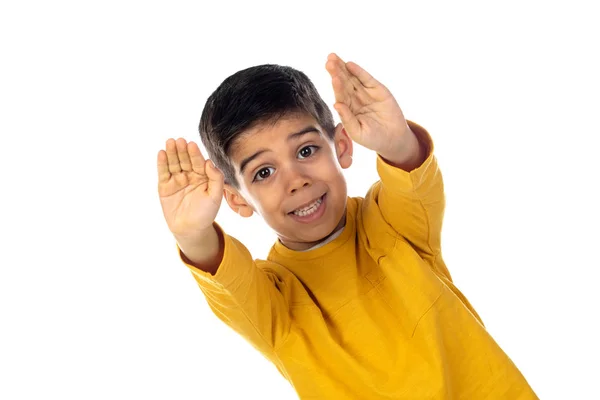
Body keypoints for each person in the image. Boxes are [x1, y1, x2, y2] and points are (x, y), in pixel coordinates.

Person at [156, 53, 538, 399]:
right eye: (264, 172)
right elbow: (229, 286)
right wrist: (193, 233)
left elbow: (415, 184)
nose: (296, 180)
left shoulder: (388, 220)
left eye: (306, 150)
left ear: (341, 145)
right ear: (237, 199)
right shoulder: (274, 302)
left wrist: (397, 141)